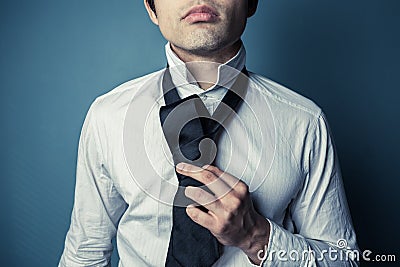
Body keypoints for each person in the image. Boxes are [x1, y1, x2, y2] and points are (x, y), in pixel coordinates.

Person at [59, 0, 359, 266]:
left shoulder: (305, 122)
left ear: (251, 3)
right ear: (152, 8)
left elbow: (343, 259)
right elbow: (85, 253)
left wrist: (256, 236)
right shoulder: (107, 117)